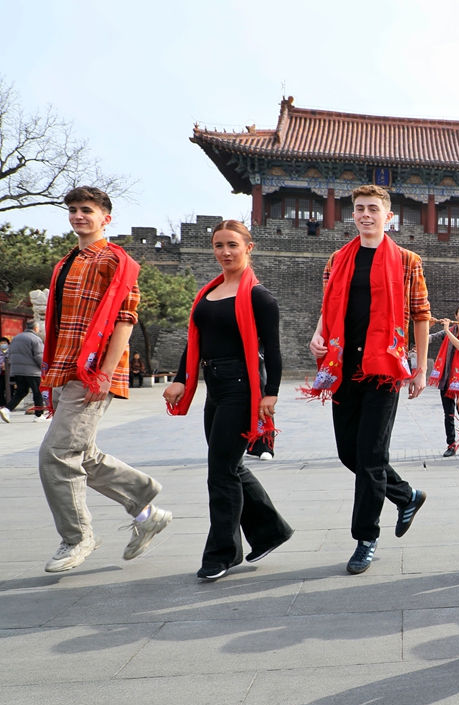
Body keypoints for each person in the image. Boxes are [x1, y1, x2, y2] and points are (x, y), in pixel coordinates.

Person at [37, 186, 172, 573]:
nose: (79, 216)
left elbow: (125, 320)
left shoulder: (116, 261)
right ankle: (146, 509)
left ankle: (76, 538)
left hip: (91, 371)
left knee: (56, 455)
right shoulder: (66, 261)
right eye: (74, 210)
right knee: (83, 454)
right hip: (62, 369)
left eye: (87, 210)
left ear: (105, 218)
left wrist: (106, 372)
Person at [305, 184, 432, 575]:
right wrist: (318, 331)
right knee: (350, 453)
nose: (365, 215)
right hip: (343, 366)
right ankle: (406, 495)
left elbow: (421, 314)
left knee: (372, 456)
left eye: (373, 209)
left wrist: (421, 368)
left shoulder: (407, 261)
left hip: (385, 368)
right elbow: (329, 304)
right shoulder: (338, 259)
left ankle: (366, 537)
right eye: (359, 208)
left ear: (387, 216)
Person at [164, 220, 293, 580]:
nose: (225, 252)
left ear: (248, 247)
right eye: (219, 245)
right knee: (230, 466)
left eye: (232, 245)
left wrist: (271, 393)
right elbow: (196, 340)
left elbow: (273, 348)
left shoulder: (258, 296)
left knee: (220, 470)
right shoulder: (209, 293)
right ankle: (271, 531)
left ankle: (222, 553)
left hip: (242, 387)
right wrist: (179, 379)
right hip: (214, 386)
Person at [429, 306, 459, 457]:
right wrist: (428, 325)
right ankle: (451, 445)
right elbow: (428, 339)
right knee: (448, 414)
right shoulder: (451, 329)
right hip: (446, 378)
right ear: (456, 315)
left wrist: (447, 331)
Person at [2, 319, 45, 422]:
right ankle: (39, 415)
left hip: (17, 370)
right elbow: (39, 356)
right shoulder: (35, 339)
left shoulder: (16, 338)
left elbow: (8, 353)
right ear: (36, 328)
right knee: (38, 391)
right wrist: (44, 368)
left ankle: (7, 409)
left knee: (21, 391)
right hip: (32, 371)